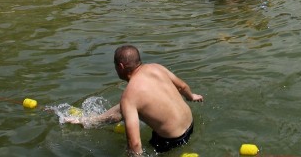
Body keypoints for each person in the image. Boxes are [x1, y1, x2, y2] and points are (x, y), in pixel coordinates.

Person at [65, 45, 203, 155]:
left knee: (128, 107)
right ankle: (91, 121)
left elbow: (135, 145)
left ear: (120, 66)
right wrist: (191, 96)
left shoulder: (129, 96)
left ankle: (88, 122)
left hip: (171, 141)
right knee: (126, 107)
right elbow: (182, 86)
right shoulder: (156, 68)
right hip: (190, 125)